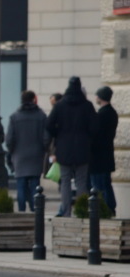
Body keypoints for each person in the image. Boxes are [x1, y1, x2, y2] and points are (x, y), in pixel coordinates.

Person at [46, 76, 96, 217]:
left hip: (64, 148)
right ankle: (81, 211)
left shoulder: (60, 105)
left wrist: (58, 134)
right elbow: (95, 127)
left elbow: (49, 124)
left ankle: (66, 211)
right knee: (81, 181)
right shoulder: (87, 105)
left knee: (65, 181)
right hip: (82, 147)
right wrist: (87, 137)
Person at [4, 90, 50, 212]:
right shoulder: (41, 116)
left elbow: (9, 139)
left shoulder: (15, 117)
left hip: (19, 156)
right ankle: (36, 211)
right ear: (33, 99)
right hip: (36, 155)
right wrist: (44, 149)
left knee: (21, 186)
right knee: (35, 185)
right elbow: (46, 137)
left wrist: (12, 151)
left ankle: (22, 211)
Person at [91, 85, 118, 215]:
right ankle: (110, 207)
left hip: (98, 156)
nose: (95, 97)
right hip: (106, 154)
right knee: (106, 183)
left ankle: (105, 209)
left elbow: (95, 135)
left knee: (99, 185)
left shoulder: (102, 114)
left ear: (101, 97)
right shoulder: (112, 113)